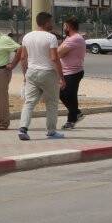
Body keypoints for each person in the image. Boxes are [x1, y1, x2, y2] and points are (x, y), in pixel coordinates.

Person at [16, 11, 66, 141]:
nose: (53, 24)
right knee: (52, 103)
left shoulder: (27, 37)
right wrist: (61, 77)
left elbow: (22, 58)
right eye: (51, 22)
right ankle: (51, 131)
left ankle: (23, 129)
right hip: (48, 73)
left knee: (29, 102)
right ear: (46, 22)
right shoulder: (51, 38)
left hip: (32, 72)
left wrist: (25, 75)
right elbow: (54, 59)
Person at [57, 17, 87, 129]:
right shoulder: (71, 38)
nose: (63, 28)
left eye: (64, 26)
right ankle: (72, 119)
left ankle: (76, 114)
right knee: (71, 97)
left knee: (63, 94)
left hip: (72, 72)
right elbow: (60, 52)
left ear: (68, 27)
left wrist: (60, 51)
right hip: (70, 71)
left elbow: (58, 54)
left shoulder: (74, 39)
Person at [0, 26, 19, 130]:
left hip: (0, 71)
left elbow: (20, 49)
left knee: (1, 98)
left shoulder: (4, 39)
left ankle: (3, 123)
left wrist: (13, 64)